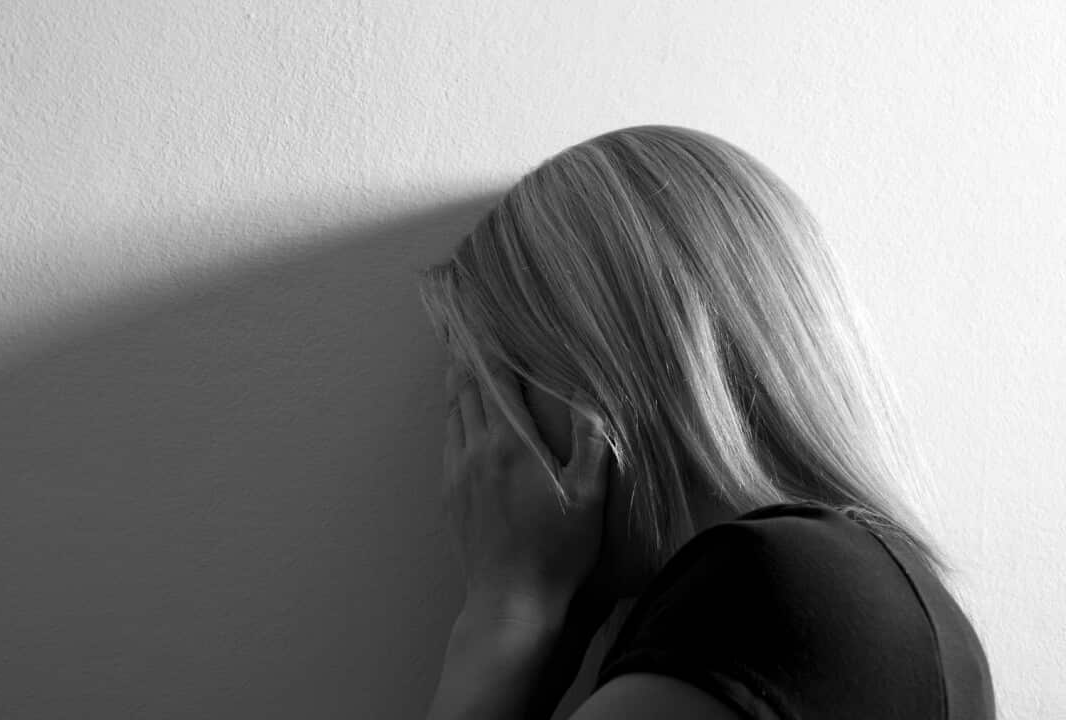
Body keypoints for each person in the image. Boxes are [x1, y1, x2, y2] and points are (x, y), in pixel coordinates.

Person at [416, 125, 995, 720]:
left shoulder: (772, 591)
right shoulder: (861, 598)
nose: (477, 456)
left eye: (489, 386)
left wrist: (505, 609)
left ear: (596, 369)